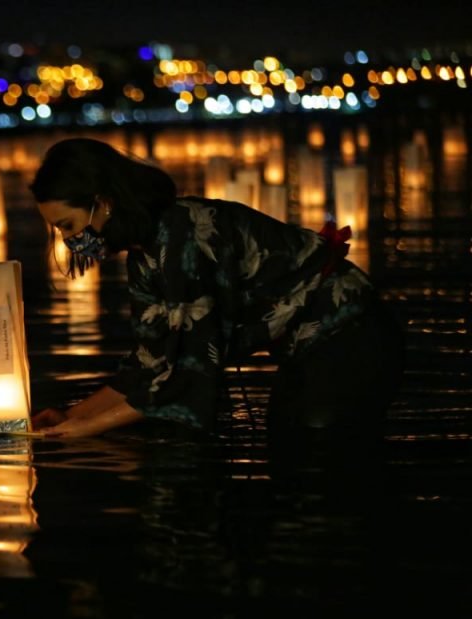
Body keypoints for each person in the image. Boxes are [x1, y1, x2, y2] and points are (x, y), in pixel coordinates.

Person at [29, 137, 404, 450]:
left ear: (103, 202)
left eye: (68, 225)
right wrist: (72, 416)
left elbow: (195, 367)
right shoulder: (144, 256)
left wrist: (87, 430)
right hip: (304, 346)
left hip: (349, 332)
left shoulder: (186, 234)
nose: (70, 241)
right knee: (289, 439)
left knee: (314, 445)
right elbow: (149, 362)